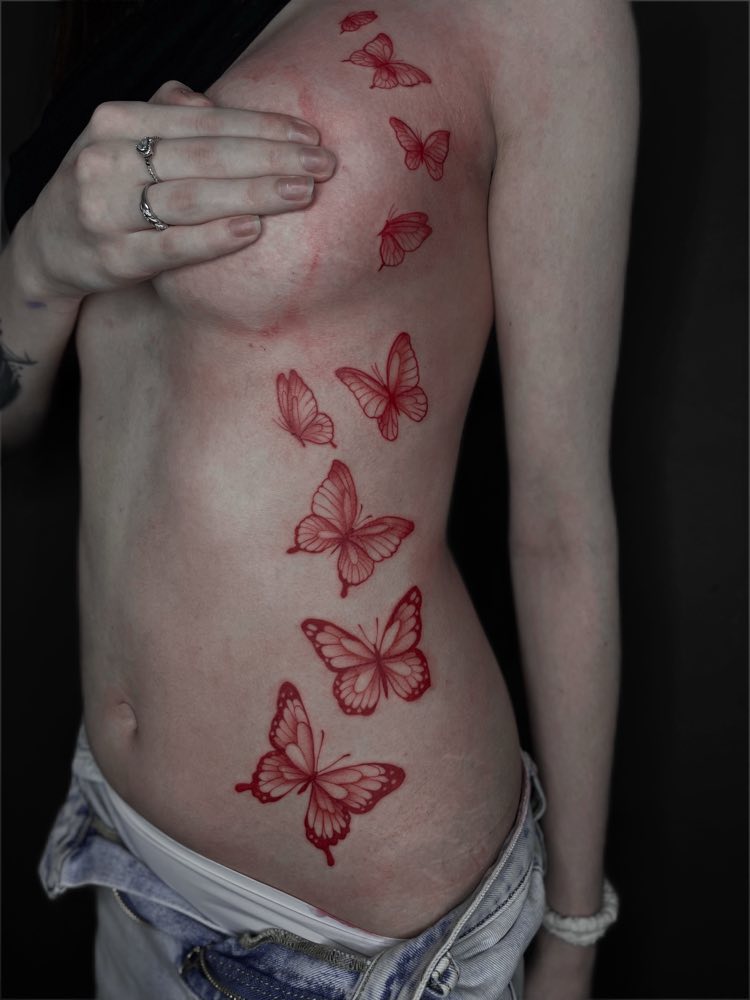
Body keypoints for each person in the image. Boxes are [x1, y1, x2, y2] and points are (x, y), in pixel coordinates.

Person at [1, 0, 638, 996]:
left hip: (362, 950)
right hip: (123, 851)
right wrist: (39, 257)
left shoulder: (543, 21)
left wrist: (573, 929)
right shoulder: (132, 15)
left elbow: (560, 516)